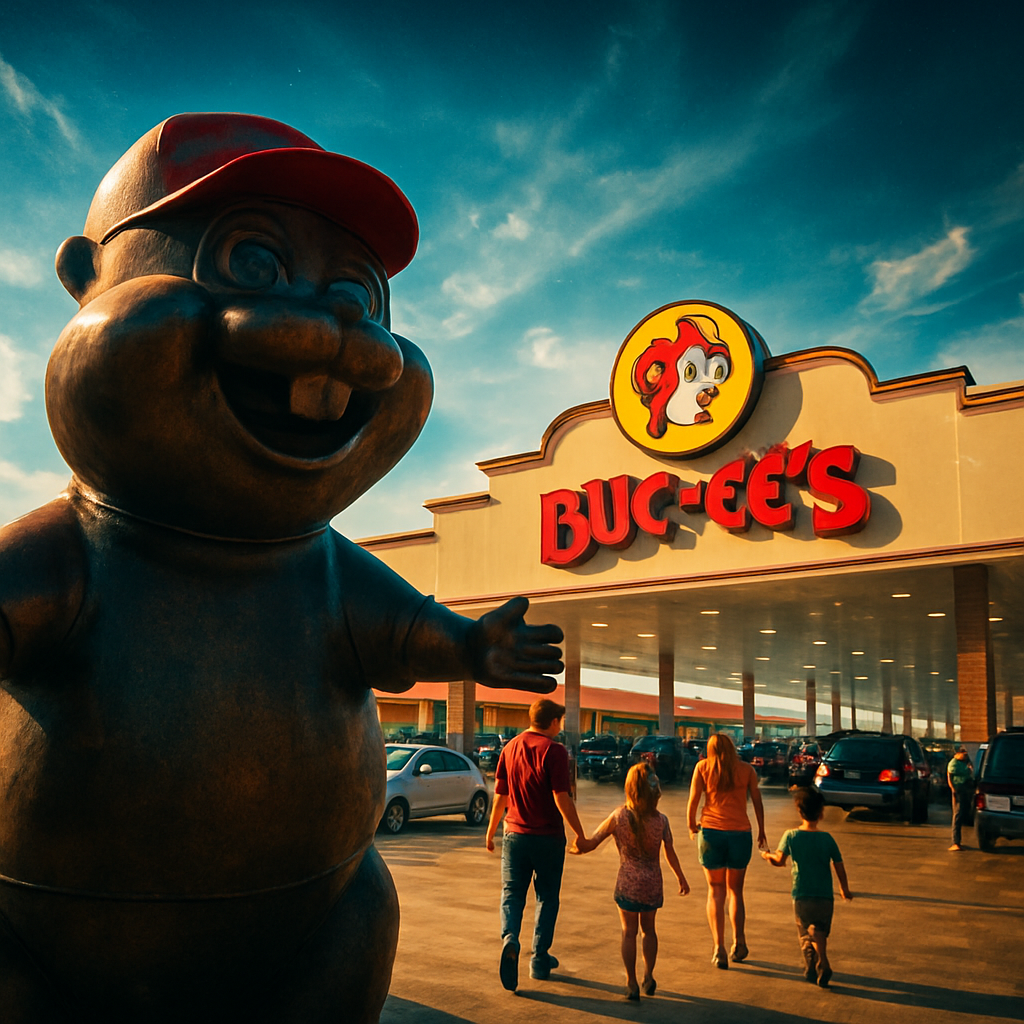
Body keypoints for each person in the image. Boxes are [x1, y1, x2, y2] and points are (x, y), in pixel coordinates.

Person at [485, 698, 588, 992]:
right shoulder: (554, 751)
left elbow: (500, 797)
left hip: (514, 836)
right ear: (554, 722)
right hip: (548, 838)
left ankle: (510, 939)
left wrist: (490, 832)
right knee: (547, 897)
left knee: (512, 894)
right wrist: (580, 833)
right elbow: (561, 797)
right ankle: (539, 961)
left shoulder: (510, 747)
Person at [573, 761, 689, 1000]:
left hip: (627, 884)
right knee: (649, 931)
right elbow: (670, 852)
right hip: (652, 885)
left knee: (628, 933)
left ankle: (631, 982)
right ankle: (649, 975)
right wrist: (681, 878)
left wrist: (578, 845)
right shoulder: (661, 821)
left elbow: (592, 842)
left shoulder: (619, 816)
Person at [686, 732, 767, 968]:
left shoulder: (703, 768)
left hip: (711, 832)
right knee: (736, 891)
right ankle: (739, 942)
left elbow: (693, 800)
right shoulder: (747, 770)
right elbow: (757, 801)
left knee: (715, 891)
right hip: (741, 833)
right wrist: (762, 829)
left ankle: (718, 947)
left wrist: (692, 824)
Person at [761, 787, 852, 988]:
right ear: (821, 813)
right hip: (825, 896)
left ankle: (814, 963)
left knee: (805, 932)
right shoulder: (827, 838)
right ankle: (820, 962)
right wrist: (844, 888)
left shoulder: (791, 836)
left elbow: (779, 861)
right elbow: (839, 866)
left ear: (799, 812)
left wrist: (767, 855)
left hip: (802, 894)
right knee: (820, 930)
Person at [947, 745, 975, 851]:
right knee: (957, 815)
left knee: (963, 813)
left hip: (965, 789)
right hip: (958, 790)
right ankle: (955, 841)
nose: (965, 756)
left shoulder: (964, 763)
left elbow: (969, 773)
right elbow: (949, 778)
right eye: (963, 754)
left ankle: (958, 841)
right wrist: (953, 790)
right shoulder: (953, 764)